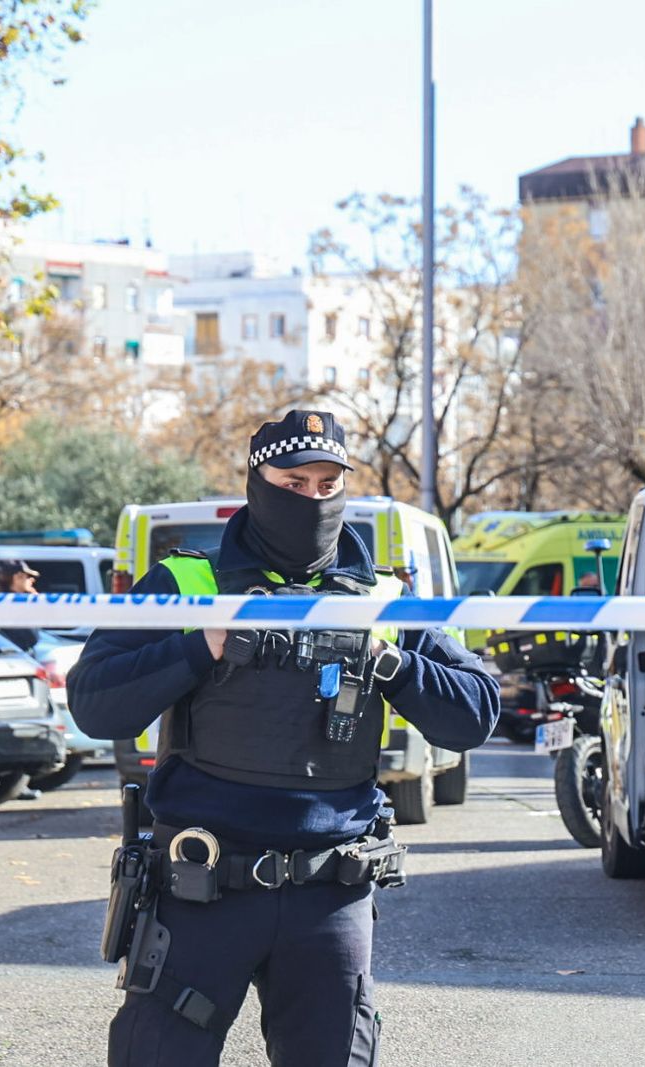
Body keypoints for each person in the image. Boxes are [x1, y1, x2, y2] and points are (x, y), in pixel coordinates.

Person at [69, 409, 499, 1066]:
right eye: (294, 482)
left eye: (328, 483)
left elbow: (474, 713)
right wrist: (202, 644)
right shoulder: (189, 583)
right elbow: (93, 704)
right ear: (257, 481)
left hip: (329, 893)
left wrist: (387, 658)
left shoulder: (381, 596)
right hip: (203, 885)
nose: (313, 498)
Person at [0, 560, 41, 653]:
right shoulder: (14, 605)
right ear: (17, 577)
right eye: (27, 577)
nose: (31, 580)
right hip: (12, 657)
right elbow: (31, 638)